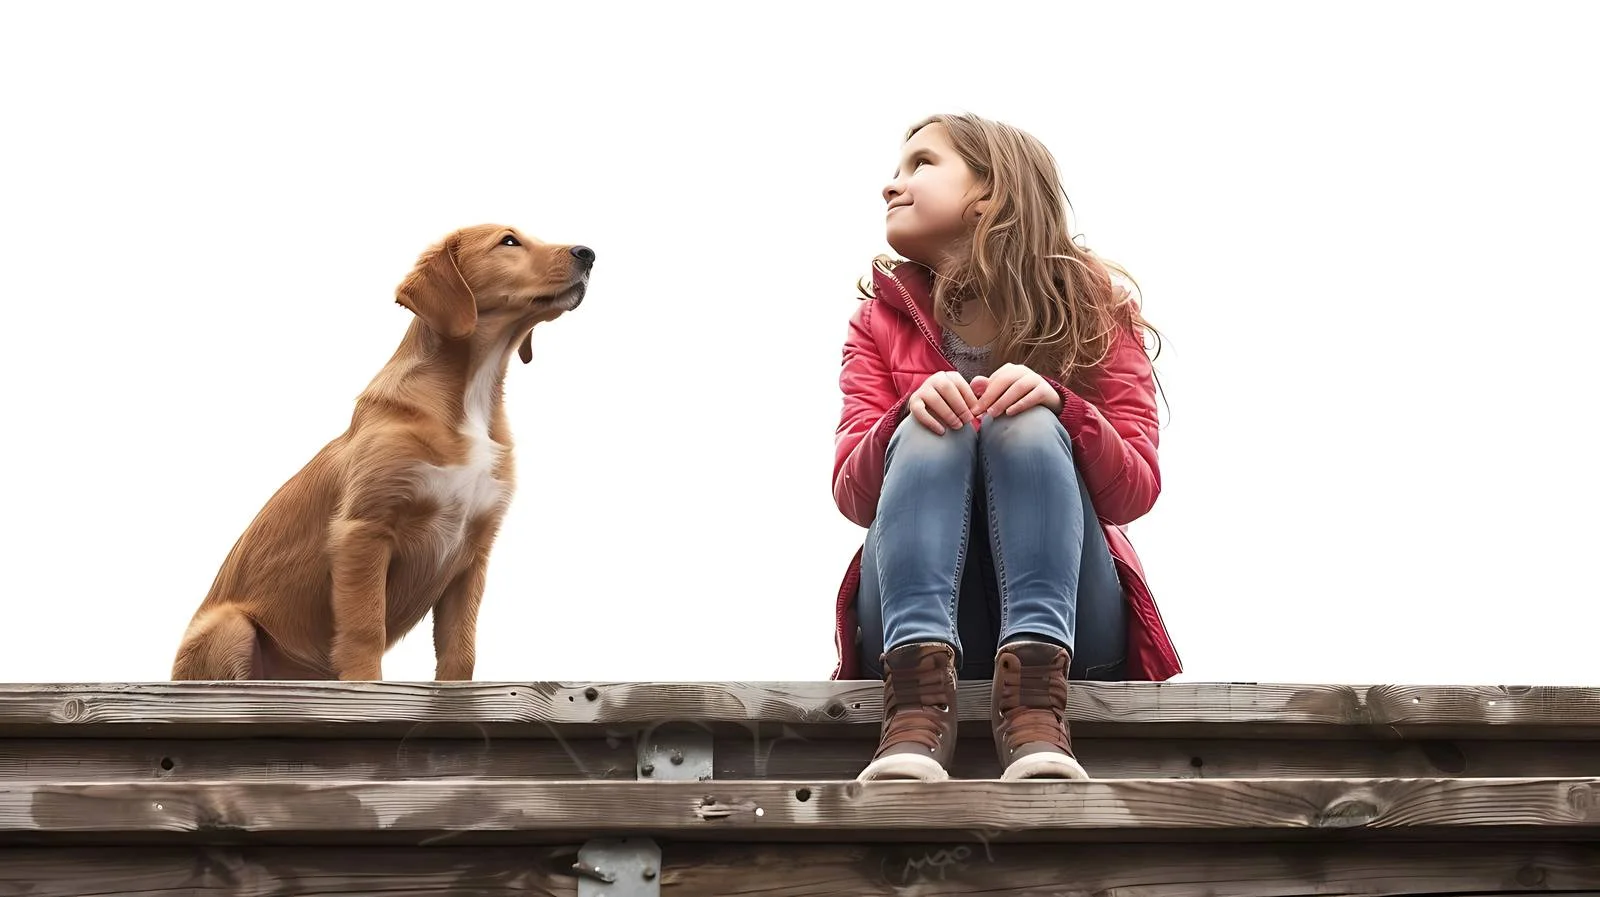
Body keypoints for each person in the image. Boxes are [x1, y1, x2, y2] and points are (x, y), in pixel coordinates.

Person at [829, 112, 1181, 784]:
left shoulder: (1094, 306)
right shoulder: (875, 322)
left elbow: (1134, 486)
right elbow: (852, 490)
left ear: (988, 193)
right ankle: (913, 710)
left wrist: (1065, 407)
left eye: (920, 164)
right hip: (911, 615)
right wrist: (907, 412)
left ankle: (1035, 705)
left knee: (1025, 418)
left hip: (1077, 627)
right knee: (933, 419)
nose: (891, 185)